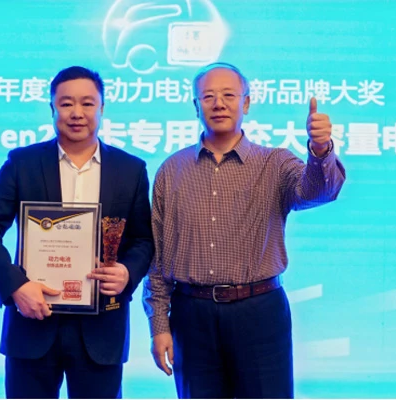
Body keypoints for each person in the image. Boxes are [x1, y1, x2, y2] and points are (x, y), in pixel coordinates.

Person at [142, 62, 346, 399]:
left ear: (246, 103)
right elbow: (158, 258)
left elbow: (318, 192)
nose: (218, 104)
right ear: (195, 106)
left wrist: (320, 149)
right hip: (192, 314)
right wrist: (159, 326)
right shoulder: (171, 170)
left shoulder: (274, 163)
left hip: (259, 311)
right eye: (208, 96)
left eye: (229, 95)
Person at [0, 66, 154, 399]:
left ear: (102, 108)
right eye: (66, 104)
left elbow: (143, 239)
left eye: (87, 103)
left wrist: (127, 272)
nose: (77, 113)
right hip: (32, 322)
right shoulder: (23, 163)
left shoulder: (130, 170)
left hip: (101, 328)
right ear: (52, 108)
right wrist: (16, 286)